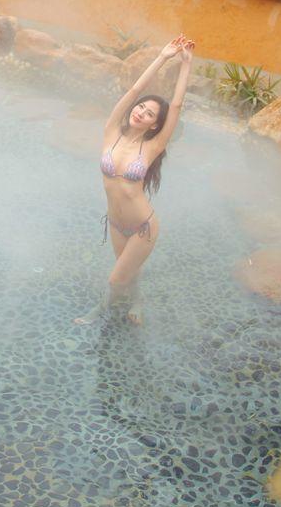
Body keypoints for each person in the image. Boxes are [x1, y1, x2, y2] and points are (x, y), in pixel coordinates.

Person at [76, 35, 194, 326]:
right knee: (129, 269)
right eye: (141, 108)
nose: (141, 113)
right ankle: (138, 301)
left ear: (155, 124)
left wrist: (185, 66)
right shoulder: (111, 132)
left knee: (117, 278)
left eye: (149, 114)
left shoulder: (152, 147)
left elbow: (176, 106)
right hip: (116, 223)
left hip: (143, 226)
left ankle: (100, 312)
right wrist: (162, 57)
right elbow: (134, 89)